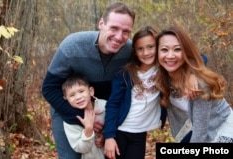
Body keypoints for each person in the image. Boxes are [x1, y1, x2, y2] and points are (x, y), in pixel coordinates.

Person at [42, 2, 135, 158]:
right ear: (101, 23)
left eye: (126, 31)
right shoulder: (72, 46)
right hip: (68, 109)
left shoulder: (130, 51)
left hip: (105, 112)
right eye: (114, 28)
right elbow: (49, 89)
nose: (119, 37)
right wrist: (81, 119)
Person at [155, 25, 233, 143]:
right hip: (192, 127)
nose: (170, 55)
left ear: (186, 51)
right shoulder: (163, 78)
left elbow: (200, 133)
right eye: (164, 49)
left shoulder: (199, 85)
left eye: (177, 49)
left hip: (220, 127)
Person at [103, 25, 161, 159]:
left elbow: (199, 58)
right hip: (119, 132)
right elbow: (113, 104)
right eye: (140, 49)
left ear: (158, 46)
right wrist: (109, 136)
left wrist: (192, 75)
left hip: (139, 134)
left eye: (150, 47)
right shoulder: (125, 74)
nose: (146, 53)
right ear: (135, 51)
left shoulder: (163, 71)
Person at [62, 74, 106, 159]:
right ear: (66, 99)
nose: (78, 97)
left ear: (91, 91)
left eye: (81, 91)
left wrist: (105, 136)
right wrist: (88, 131)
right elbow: (80, 148)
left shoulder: (105, 106)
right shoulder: (69, 121)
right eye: (72, 95)